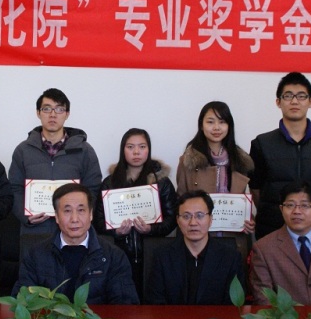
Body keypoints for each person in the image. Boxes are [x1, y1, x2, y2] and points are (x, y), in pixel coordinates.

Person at [13, 183, 138, 304]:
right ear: (57, 216)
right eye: (67, 211)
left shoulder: (114, 256)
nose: (74, 219)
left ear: (90, 214)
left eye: (81, 210)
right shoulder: (35, 255)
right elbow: (22, 302)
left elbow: (125, 306)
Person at [249, 72, 311, 238]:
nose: (295, 101)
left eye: (301, 96)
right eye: (288, 96)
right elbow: (256, 189)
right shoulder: (262, 143)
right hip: (273, 228)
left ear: (310, 101)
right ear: (278, 102)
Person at [94, 128, 177, 298]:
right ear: (122, 150)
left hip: (153, 253)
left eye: (142, 147)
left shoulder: (161, 182)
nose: (136, 152)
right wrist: (116, 232)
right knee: (122, 299)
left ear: (149, 150)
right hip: (119, 253)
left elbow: (173, 219)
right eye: (130, 147)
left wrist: (151, 229)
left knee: (152, 300)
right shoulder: (110, 183)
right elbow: (98, 221)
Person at [9, 88, 102, 234]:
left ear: (67, 114)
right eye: (47, 109)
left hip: (73, 230)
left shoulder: (85, 150)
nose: (53, 114)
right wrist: (25, 216)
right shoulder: (23, 150)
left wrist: (79, 216)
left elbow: (93, 188)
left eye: (59, 109)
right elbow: (15, 188)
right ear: (38, 113)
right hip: (34, 231)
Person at [176, 101, 255, 254]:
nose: (216, 127)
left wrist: (249, 220)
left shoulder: (241, 161)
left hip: (233, 237)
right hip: (198, 239)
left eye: (222, 122)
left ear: (229, 126)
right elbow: (180, 200)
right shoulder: (187, 161)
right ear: (201, 125)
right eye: (210, 122)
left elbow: (243, 202)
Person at [146, 191, 244, 305]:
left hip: (216, 317)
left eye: (200, 215)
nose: (193, 223)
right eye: (186, 216)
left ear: (211, 219)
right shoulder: (162, 257)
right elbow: (155, 302)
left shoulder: (230, 258)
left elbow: (234, 305)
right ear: (178, 220)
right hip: (172, 317)